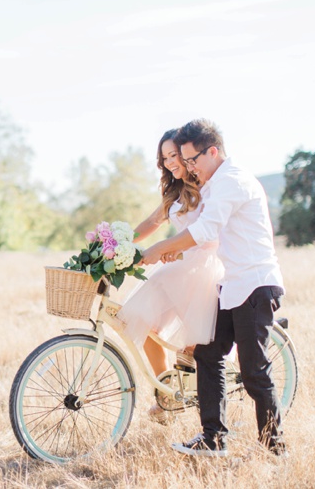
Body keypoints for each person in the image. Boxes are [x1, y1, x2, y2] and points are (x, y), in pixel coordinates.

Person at [139, 119, 286, 458]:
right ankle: (213, 437)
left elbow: (205, 229)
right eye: (185, 162)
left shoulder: (232, 181)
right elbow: (207, 235)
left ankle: (274, 449)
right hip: (231, 285)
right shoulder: (214, 183)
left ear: (214, 151)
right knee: (207, 353)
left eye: (193, 160)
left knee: (253, 372)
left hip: (256, 285)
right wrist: (175, 248)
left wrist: (157, 249)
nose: (190, 168)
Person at [116, 129, 224, 421]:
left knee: (194, 344)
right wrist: (119, 241)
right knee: (140, 320)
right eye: (164, 158)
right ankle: (167, 391)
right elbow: (153, 221)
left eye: (174, 155)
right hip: (181, 261)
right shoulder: (174, 191)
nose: (170, 162)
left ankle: (203, 402)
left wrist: (170, 249)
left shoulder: (206, 184)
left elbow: (208, 230)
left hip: (202, 265)